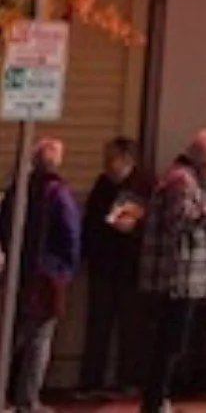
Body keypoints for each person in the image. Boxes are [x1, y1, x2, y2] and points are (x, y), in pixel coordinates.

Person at [139, 129, 206, 413]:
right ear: (205, 160)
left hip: (175, 277)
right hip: (175, 278)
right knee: (169, 343)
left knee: (169, 342)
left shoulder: (180, 178)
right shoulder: (182, 181)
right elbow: (179, 218)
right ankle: (156, 400)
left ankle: (159, 398)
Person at [0, 139, 80, 413]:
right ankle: (28, 399)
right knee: (39, 339)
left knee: (10, 335)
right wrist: (66, 270)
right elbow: (70, 234)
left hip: (17, 274)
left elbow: (4, 225)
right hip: (47, 275)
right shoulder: (58, 193)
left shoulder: (18, 190)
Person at [78, 136, 153, 397]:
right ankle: (91, 381)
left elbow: (151, 226)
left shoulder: (144, 185)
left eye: (112, 159)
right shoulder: (102, 186)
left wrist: (134, 229)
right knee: (98, 324)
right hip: (103, 265)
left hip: (131, 266)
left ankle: (129, 379)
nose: (107, 165)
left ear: (128, 160)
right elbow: (90, 223)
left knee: (131, 326)